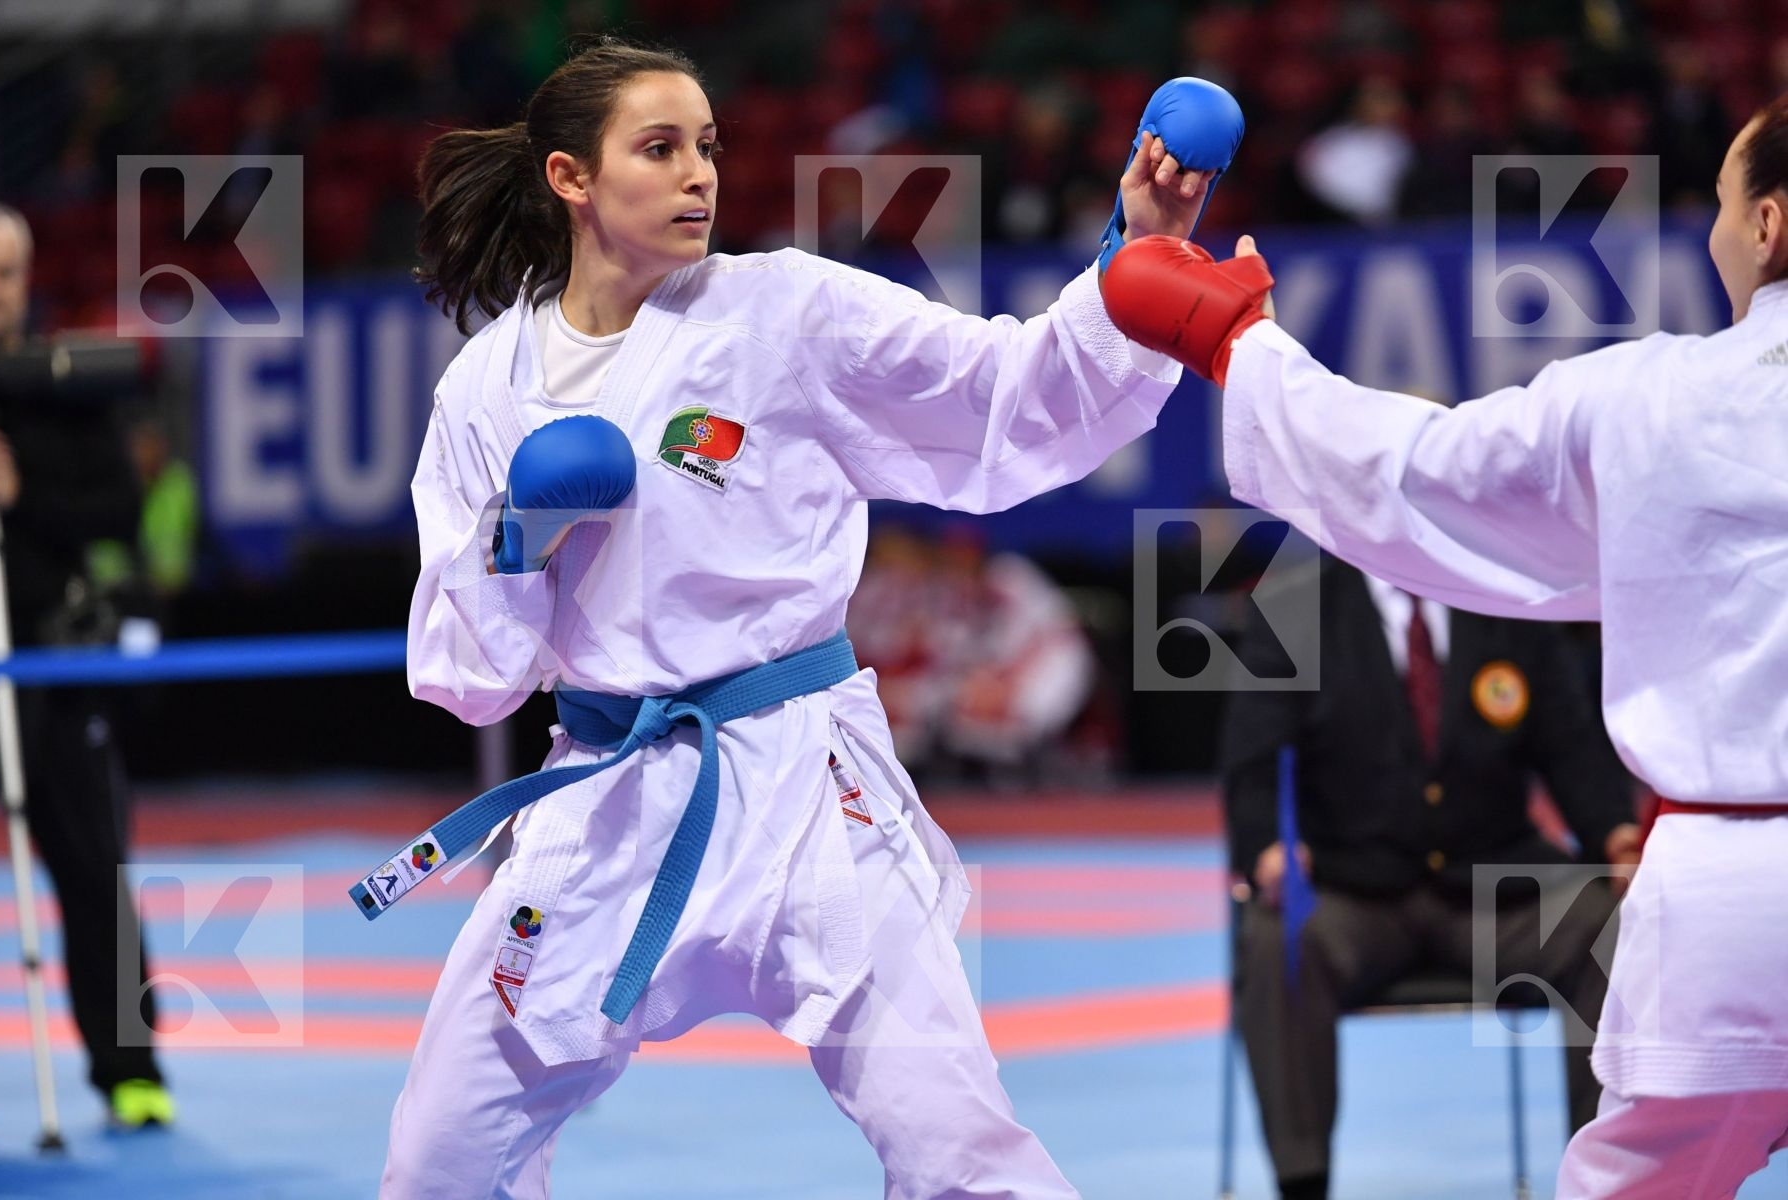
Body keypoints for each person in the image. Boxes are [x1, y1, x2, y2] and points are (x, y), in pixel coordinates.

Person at [379, 40, 1235, 1198]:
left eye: (709, 148)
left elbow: (1001, 402)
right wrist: (515, 540)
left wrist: (1141, 252)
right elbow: (469, 679)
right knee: (440, 1162)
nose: (700, 176)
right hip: (605, 796)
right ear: (571, 179)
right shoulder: (484, 388)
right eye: (661, 148)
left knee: (958, 1147)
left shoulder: (782, 312)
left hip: (804, 782)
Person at [1100, 93, 1788, 1199]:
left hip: (1723, 896)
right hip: (1381, 893)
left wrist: (1239, 346)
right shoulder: (1306, 606)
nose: (1709, 233)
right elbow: (1254, 748)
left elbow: (1419, 472)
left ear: (1768, 225)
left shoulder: (1651, 401)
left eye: (1717, 203)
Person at [1221, 556, 1637, 1200]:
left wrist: (1614, 833)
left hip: (1499, 894)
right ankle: (1302, 1183)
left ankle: (1609, 1178)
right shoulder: (1295, 603)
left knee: (1603, 927)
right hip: (1352, 892)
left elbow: (1571, 745)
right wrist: (1267, 850)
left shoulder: (1508, 590)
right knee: (1281, 942)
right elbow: (1250, 759)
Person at [0, 201, 171, 1127]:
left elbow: (115, 515)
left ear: (27, 280)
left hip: (51, 663)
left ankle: (131, 1072)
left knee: (94, 866)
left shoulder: (67, 385)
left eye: (4, 272)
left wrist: (19, 497)